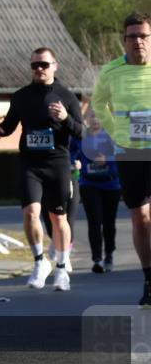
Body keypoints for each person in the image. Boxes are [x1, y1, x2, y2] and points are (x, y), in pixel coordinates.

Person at [0, 47, 83, 292]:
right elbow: (9, 125)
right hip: (31, 164)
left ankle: (62, 267)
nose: (39, 69)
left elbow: (81, 132)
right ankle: (40, 262)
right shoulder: (21, 96)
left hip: (58, 164)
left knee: (58, 217)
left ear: (55, 65)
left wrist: (65, 118)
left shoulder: (68, 96)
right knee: (31, 213)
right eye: (34, 66)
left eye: (43, 64)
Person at [90, 12, 151, 307]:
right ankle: (149, 280)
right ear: (124, 40)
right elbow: (98, 102)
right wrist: (115, 132)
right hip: (129, 152)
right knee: (140, 218)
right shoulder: (112, 71)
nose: (138, 41)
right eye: (133, 36)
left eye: (143, 36)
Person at [72, 106, 121, 273]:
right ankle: (97, 259)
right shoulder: (81, 136)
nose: (95, 120)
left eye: (99, 116)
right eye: (92, 116)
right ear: (87, 118)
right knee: (94, 221)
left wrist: (108, 159)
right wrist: (74, 163)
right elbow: (71, 153)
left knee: (109, 223)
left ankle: (109, 254)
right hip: (89, 184)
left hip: (111, 184)